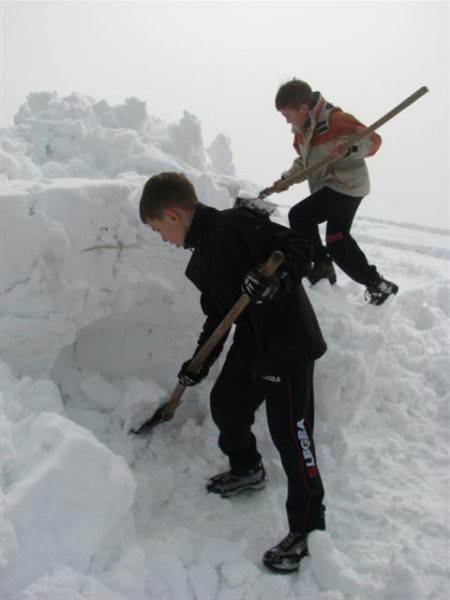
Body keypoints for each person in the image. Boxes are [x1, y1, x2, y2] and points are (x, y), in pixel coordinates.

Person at [139, 171, 327, 573]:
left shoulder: (233, 224)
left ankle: (310, 533)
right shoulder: (201, 261)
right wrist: (197, 365)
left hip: (288, 344)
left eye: (158, 229)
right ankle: (247, 468)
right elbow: (219, 319)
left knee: (293, 439)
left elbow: (297, 245)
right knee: (226, 404)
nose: (162, 239)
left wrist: (277, 281)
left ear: (172, 215)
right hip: (254, 343)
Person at [271, 78, 399, 306]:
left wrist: (351, 146)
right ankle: (377, 285)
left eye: (287, 115)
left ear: (303, 108)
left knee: (300, 216)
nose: (287, 121)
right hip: (336, 187)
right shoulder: (302, 132)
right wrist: (285, 180)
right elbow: (305, 162)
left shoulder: (335, 119)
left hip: (346, 185)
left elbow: (373, 140)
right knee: (337, 241)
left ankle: (321, 266)